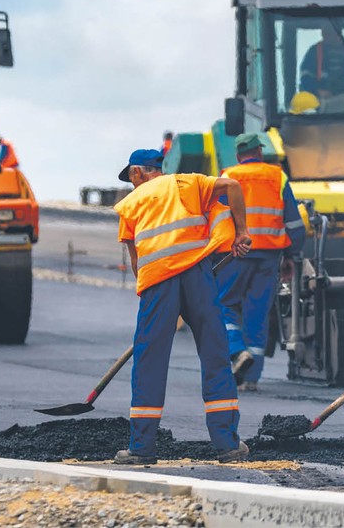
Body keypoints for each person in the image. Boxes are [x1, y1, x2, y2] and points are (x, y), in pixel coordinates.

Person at [111, 149, 254, 465]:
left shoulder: (130, 204)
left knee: (149, 361)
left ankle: (142, 448)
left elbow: (136, 262)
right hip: (197, 275)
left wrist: (155, 307)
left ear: (138, 172)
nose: (132, 183)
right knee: (215, 355)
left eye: (131, 177)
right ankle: (228, 445)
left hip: (158, 283)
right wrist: (242, 231)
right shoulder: (187, 183)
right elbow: (232, 186)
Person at [210, 133, 306, 391]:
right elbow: (294, 223)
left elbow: (215, 218)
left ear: (239, 155)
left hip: (235, 254)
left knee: (222, 304)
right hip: (269, 256)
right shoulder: (278, 176)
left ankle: (237, 351)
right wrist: (292, 255)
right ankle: (251, 379)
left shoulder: (227, 175)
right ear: (259, 152)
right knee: (257, 314)